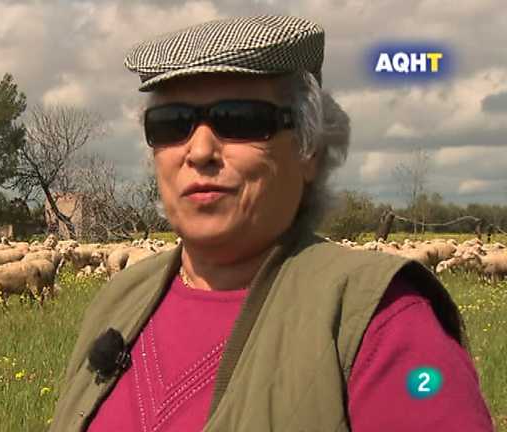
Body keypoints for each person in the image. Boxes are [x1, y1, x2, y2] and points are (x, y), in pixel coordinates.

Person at [50, 15, 493, 431]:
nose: (199, 151)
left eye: (241, 120)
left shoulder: (381, 320)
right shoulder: (119, 299)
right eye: (171, 124)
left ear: (309, 149)